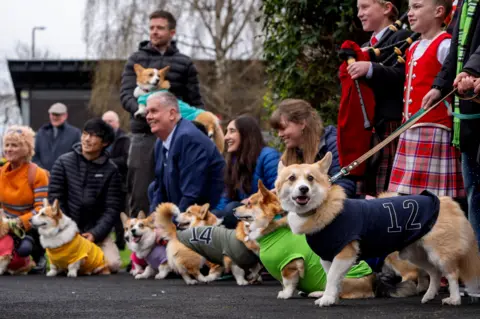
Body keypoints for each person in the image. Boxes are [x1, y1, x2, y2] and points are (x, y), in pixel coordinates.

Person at [120, 10, 204, 218]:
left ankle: (179, 242)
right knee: (140, 193)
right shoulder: (136, 59)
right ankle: (140, 246)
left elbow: (195, 100)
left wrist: (201, 126)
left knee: (180, 190)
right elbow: (125, 95)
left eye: (160, 28)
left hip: (178, 135)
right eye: (151, 28)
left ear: (172, 32)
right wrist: (145, 112)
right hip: (143, 134)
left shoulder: (184, 63)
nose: (154, 32)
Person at [388, 0, 464, 199]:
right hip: (410, 129)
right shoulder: (413, 48)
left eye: (417, 7)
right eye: (410, 7)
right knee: (406, 194)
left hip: (434, 129)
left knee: (435, 196)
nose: (410, 13)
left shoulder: (445, 44)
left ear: (439, 11)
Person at [422, 0, 480, 245]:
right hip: (468, 113)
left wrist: (473, 71)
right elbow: (458, 47)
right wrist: (439, 86)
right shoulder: (466, 3)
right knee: (474, 193)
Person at [348, 0, 412, 196]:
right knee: (369, 191)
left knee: (387, 192)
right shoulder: (365, 46)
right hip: (369, 129)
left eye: (365, 7)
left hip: (390, 124)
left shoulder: (403, 37)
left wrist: (371, 68)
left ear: (387, 8)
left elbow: (404, 76)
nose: (359, 13)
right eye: (358, 8)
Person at [48, 118, 123, 272]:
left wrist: (95, 234)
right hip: (66, 231)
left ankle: (84, 261)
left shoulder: (112, 170)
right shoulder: (63, 162)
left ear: (105, 143)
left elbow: (112, 208)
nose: (87, 139)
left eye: (93, 136)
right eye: (85, 134)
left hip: (96, 233)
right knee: (64, 265)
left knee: (113, 264)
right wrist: (70, 229)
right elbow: (55, 200)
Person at [146, 91, 225, 214]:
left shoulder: (189, 138)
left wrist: (169, 226)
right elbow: (159, 189)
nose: (148, 117)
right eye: (147, 112)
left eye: (154, 111)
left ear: (172, 114)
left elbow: (192, 194)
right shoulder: (160, 142)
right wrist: (153, 222)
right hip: (183, 207)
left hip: (207, 213)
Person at [270, 99, 356, 198]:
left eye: (283, 128)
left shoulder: (334, 144)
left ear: (302, 123)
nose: (280, 134)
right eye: (278, 130)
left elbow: (345, 186)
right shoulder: (290, 154)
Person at [213, 115, 280, 228]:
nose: (225, 137)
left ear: (246, 134)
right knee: (215, 215)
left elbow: (277, 193)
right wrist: (211, 217)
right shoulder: (234, 162)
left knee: (231, 210)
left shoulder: (268, 156)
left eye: (232, 131)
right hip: (245, 212)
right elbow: (226, 197)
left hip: (265, 215)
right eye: (226, 132)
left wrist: (250, 201)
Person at [0, 125, 49, 273]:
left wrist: (18, 222)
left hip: (29, 227)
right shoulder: (1, 172)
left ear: (26, 148)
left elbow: (42, 209)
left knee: (24, 249)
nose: (8, 149)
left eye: (14, 145)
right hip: (4, 225)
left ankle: (37, 257)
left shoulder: (37, 174)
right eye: (6, 145)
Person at [102, 110, 131, 250]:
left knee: (120, 216)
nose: (108, 124)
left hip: (120, 184)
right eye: (105, 121)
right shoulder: (100, 139)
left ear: (117, 123)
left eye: (110, 121)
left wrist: (106, 161)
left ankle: (121, 243)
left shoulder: (124, 139)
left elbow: (126, 160)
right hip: (102, 185)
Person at [33, 102, 81, 171]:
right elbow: (34, 155)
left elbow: (77, 157)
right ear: (49, 115)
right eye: (53, 114)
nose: (55, 117)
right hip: (43, 177)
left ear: (65, 115)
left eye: (58, 115)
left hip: (65, 177)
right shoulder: (41, 132)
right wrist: (42, 171)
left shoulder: (75, 133)